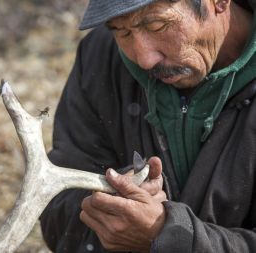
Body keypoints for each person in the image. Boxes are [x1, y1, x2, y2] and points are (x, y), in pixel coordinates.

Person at [40, 0, 256, 252]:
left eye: (157, 25)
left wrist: (171, 236)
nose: (144, 59)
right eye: (123, 32)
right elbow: (57, 209)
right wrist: (113, 206)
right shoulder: (102, 55)